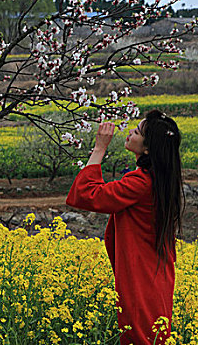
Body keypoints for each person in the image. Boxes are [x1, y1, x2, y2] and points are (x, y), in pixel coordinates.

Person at [66, 110, 184, 344]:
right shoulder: (157, 179)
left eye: (138, 131)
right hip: (153, 274)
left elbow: (86, 195)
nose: (131, 131)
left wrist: (100, 148)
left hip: (141, 277)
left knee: (140, 336)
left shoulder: (141, 183)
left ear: (148, 148)